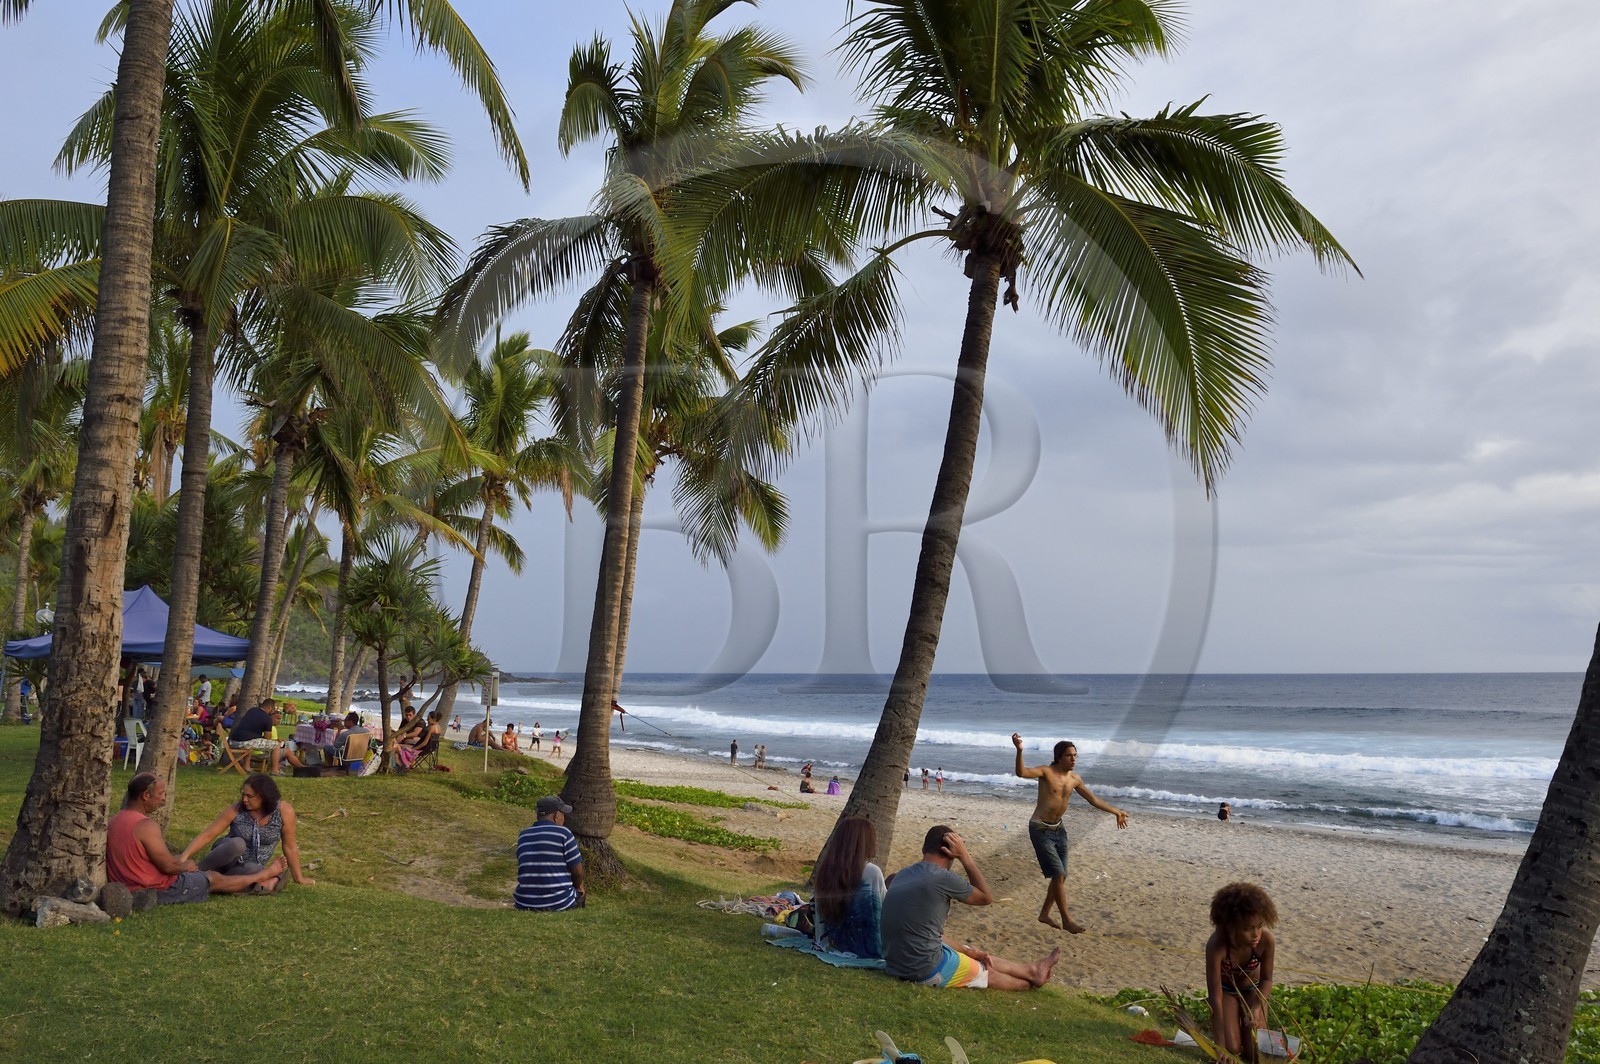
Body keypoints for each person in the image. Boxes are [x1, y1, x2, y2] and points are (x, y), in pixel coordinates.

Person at [881, 824, 1059, 991]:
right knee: (986, 972)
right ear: (950, 851)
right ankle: (1030, 982)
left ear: (924, 849)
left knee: (972, 954)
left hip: (895, 965)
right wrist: (964, 856)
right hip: (923, 970)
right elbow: (985, 897)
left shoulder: (902, 875)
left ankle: (1033, 970)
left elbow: (930, 934)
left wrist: (968, 951)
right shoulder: (942, 877)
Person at [1011, 732, 1129, 934]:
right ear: (1059, 757)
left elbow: (1092, 799)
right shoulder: (1046, 772)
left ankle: (1044, 913)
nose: (1073, 759)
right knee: (1058, 874)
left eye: (1075, 755)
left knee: (1062, 876)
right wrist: (1019, 751)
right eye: (1069, 755)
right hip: (1040, 828)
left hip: (1059, 829)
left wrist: (1116, 811)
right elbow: (1022, 772)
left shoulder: (1075, 779)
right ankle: (1066, 919)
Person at [107, 773, 283, 904]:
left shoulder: (114, 821)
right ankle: (266, 876)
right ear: (146, 795)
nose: (163, 799)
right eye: (161, 794)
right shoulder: (145, 825)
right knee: (214, 879)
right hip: (160, 887)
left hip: (132, 885)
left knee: (215, 875)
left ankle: (259, 878)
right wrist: (185, 865)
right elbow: (168, 866)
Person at [179, 774, 314, 893]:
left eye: (249, 796)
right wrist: (183, 858)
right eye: (243, 794)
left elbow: (290, 846)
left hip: (246, 867)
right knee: (238, 844)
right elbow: (208, 835)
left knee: (255, 869)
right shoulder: (237, 809)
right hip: (226, 858)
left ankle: (217, 882)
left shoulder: (283, 811)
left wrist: (299, 878)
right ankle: (195, 873)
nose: (244, 799)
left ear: (264, 796)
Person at [1206, 882, 1278, 1061]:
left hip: (1254, 992)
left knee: (1255, 1052)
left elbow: (1267, 981)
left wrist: (1256, 1007)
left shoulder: (1266, 942)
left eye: (1259, 926)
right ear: (1230, 927)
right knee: (1232, 1048)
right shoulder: (1217, 947)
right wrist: (1220, 1047)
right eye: (1247, 929)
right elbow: (1215, 998)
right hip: (1227, 993)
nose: (1256, 934)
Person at [812, 817, 885, 958]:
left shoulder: (826, 870)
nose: (875, 844)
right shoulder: (871, 872)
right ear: (863, 843)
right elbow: (881, 913)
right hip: (860, 947)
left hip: (827, 943)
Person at [514, 795, 585, 911]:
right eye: (563, 814)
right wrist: (578, 887)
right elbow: (577, 872)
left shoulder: (523, 835)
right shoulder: (564, 833)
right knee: (581, 890)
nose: (563, 818)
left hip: (524, 902)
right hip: (559, 902)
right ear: (557, 816)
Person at [229, 697, 305, 775]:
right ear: (270, 708)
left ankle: (246, 767)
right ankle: (275, 770)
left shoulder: (252, 710)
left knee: (251, 743)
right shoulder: (267, 718)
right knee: (276, 745)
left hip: (233, 740)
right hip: (244, 742)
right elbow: (267, 738)